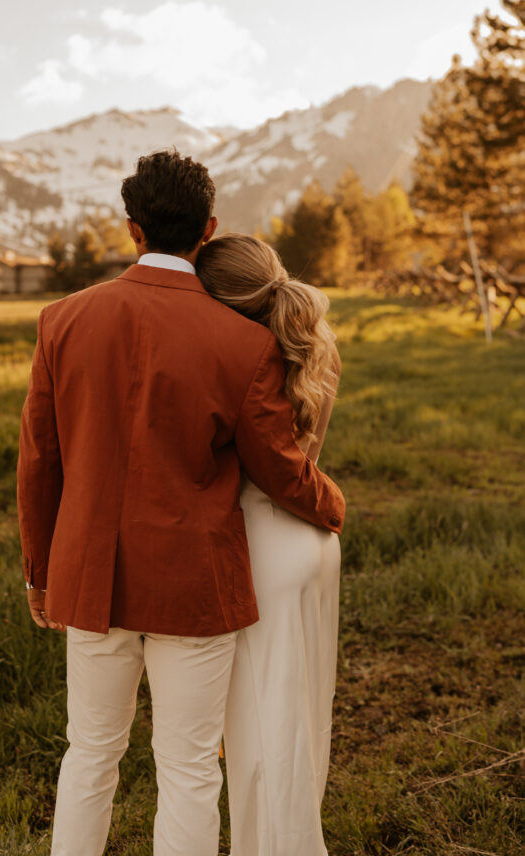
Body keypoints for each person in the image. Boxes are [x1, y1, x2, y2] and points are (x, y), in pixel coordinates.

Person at [16, 149, 345, 856]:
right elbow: (280, 470)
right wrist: (333, 506)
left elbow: (40, 462)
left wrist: (39, 573)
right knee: (190, 769)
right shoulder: (242, 342)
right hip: (194, 589)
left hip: (88, 578)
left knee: (89, 755)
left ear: (132, 229)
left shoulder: (61, 320)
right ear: (209, 228)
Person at [197, 233, 342, 856]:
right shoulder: (316, 346)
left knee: (262, 732)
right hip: (312, 541)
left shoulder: (229, 357)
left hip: (262, 547)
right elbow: (304, 462)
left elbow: (260, 469)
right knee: (305, 717)